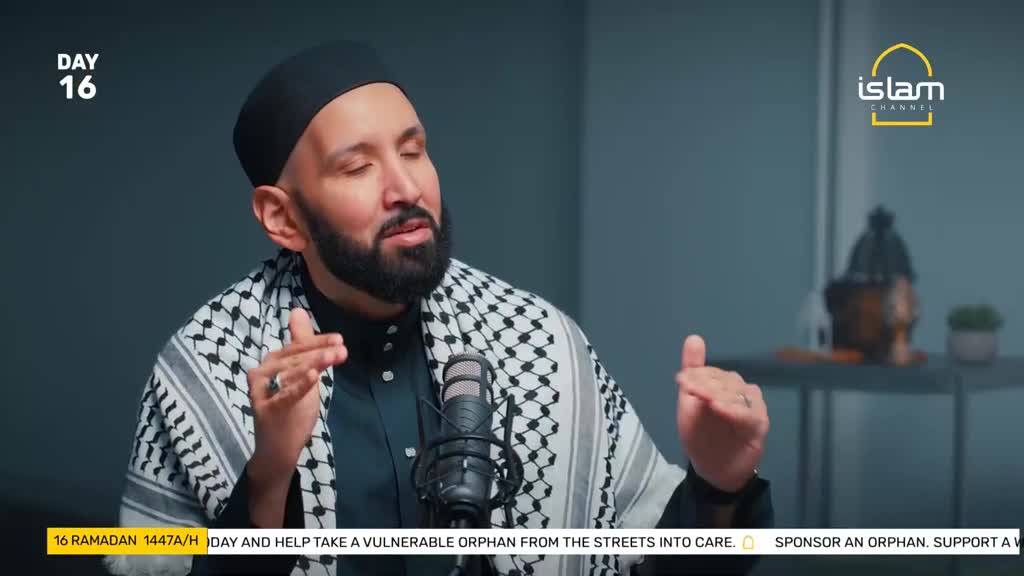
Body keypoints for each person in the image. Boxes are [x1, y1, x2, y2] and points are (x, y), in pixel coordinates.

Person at [105, 41, 773, 576]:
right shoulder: (203, 368)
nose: (405, 187)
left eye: (413, 150)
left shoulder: (536, 341)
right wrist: (270, 475)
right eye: (355, 166)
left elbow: (652, 561)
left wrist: (718, 488)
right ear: (282, 218)